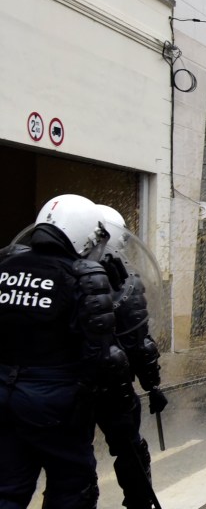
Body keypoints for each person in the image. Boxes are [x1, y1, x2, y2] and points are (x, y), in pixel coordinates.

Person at [0, 194, 130, 508]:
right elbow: (100, 356)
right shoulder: (81, 277)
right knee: (73, 489)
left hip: (4, 394)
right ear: (84, 233)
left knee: (7, 489)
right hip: (56, 406)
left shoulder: (6, 265)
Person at [94, 204, 166, 509]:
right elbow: (140, 344)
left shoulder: (62, 273)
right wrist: (152, 385)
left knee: (69, 462)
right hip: (114, 388)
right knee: (131, 451)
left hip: (65, 383)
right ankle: (139, 504)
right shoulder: (127, 284)